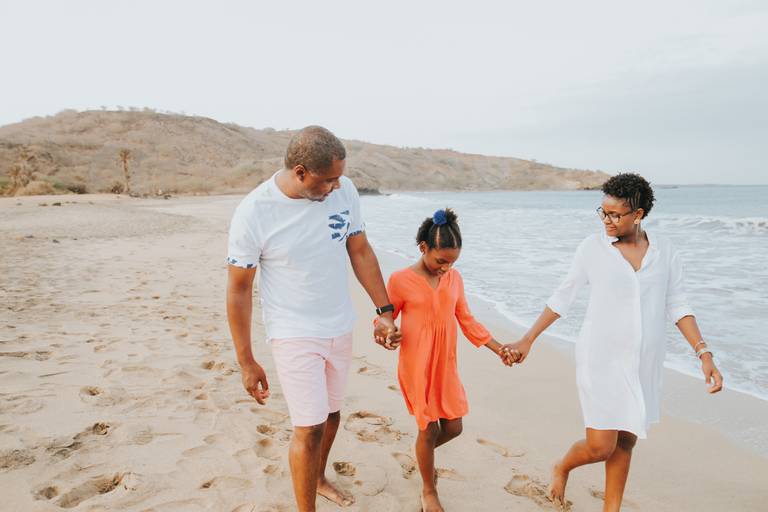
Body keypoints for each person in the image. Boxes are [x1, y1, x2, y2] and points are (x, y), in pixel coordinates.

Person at [508, 173, 724, 511]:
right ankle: (562, 466)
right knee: (600, 446)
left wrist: (704, 353)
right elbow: (562, 297)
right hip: (600, 358)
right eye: (602, 212)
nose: (606, 220)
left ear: (637, 215)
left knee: (625, 442)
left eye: (614, 214)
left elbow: (679, 305)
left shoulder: (664, 251)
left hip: (643, 362)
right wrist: (528, 339)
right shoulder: (592, 249)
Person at [226, 126, 401, 512]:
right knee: (308, 427)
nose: (337, 187)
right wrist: (246, 361)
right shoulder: (255, 212)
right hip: (293, 332)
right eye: (328, 180)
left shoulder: (346, 191)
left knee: (332, 414)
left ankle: (318, 477)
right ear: (301, 171)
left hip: (339, 324)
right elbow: (239, 289)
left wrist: (384, 310)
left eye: (340, 177)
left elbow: (360, 250)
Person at [384, 208, 519, 512]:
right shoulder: (400, 279)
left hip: (445, 364)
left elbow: (467, 319)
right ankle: (428, 490)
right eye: (440, 260)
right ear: (423, 249)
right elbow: (385, 319)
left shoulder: (454, 278)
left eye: (452, 262)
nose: (446, 268)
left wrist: (499, 349)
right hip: (417, 364)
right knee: (428, 429)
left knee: (454, 427)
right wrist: (388, 332)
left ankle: (422, 453)